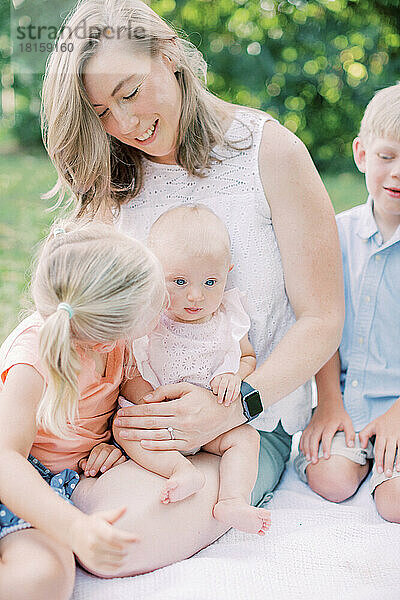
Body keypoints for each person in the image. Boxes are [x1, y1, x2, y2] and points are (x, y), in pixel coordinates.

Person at [40, 0, 344, 575]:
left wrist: (232, 409)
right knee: (67, 509)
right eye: (102, 111)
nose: (124, 125)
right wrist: (107, 425)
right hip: (134, 422)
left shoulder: (269, 151)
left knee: (115, 541)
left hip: (247, 423)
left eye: (129, 92)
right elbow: (86, 316)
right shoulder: (116, 174)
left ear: (170, 54)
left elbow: (322, 318)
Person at [0, 220, 166, 599]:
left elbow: (134, 405)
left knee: (44, 579)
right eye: (156, 304)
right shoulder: (33, 359)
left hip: (42, 488)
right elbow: (5, 458)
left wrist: (119, 443)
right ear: (108, 339)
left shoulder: (118, 350)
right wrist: (73, 528)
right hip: (16, 478)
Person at [116, 204, 270, 535]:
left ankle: (233, 499)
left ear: (228, 272)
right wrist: (151, 404)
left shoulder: (230, 316)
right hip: (159, 424)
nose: (195, 295)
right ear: (156, 272)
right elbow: (127, 373)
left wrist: (234, 376)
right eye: (180, 281)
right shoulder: (148, 319)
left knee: (245, 438)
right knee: (124, 430)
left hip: (213, 424)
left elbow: (247, 357)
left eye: (211, 281)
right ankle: (180, 471)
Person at [295, 84, 400, 522]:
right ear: (362, 154)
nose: (397, 173)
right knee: (331, 480)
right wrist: (329, 401)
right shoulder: (334, 235)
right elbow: (321, 322)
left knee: (394, 504)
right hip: (343, 397)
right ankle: (359, 458)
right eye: (387, 156)